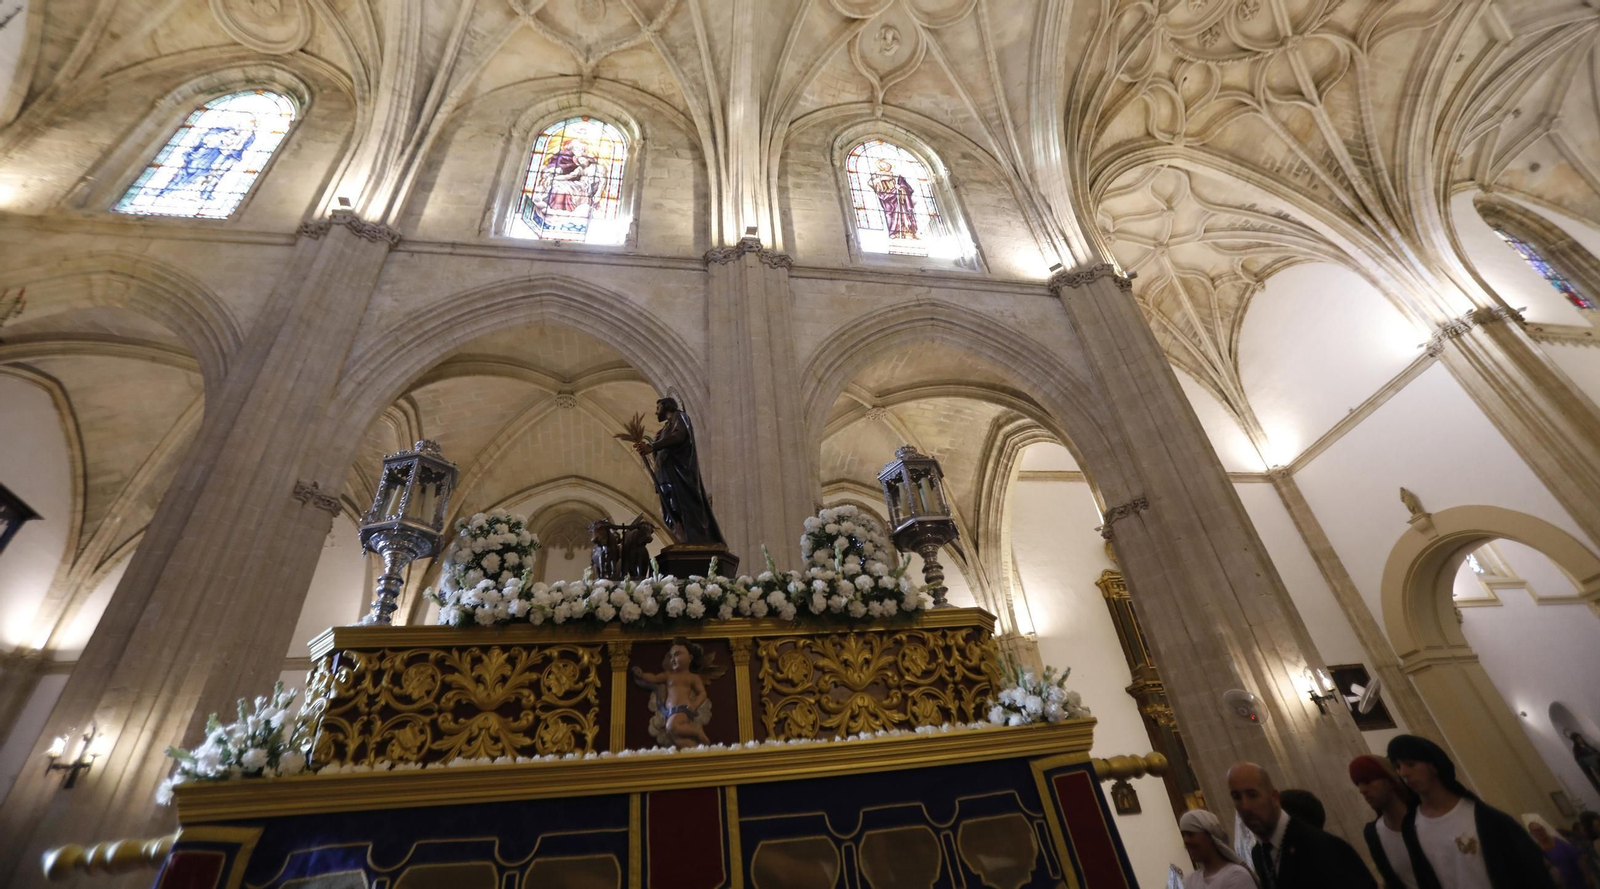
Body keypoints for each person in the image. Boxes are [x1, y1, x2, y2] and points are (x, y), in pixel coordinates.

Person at [1386, 734, 1556, 889]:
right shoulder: (1410, 826)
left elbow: (1532, 874)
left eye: (1410, 764)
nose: (1404, 773)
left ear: (1433, 766)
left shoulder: (1489, 820)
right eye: (1397, 766)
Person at [1227, 762, 1377, 889]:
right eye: (1236, 797)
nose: (1245, 806)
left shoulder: (1324, 846)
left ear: (1274, 797)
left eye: (1252, 794)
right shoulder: (1259, 853)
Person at [633, 397, 725, 546]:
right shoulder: (662, 431)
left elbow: (678, 436)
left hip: (679, 476)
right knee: (670, 513)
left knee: (682, 508)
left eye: (658, 408)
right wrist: (648, 451)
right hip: (665, 477)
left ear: (667, 406)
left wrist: (653, 446)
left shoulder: (680, 417)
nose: (656, 412)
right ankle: (683, 541)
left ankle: (695, 542)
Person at [1351, 754, 1421, 889]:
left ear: (1390, 781)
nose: (1362, 790)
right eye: (1358, 784)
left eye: (1367, 781)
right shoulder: (1373, 833)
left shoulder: (1427, 816)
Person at [630, 638, 710, 748]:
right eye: (671, 656)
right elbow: (654, 678)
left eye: (677, 655)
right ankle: (694, 749)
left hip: (683, 709)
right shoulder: (668, 676)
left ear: (690, 658)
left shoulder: (692, 677)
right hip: (671, 711)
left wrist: (695, 705)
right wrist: (642, 675)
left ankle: (697, 732)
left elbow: (702, 693)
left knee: (671, 727)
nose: (672, 659)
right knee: (674, 736)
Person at [1179, 809, 1259, 888]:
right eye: (1183, 835)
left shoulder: (1237, 876)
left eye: (1190, 834)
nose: (1186, 840)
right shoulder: (1190, 881)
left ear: (1209, 836)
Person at [1524, 814, 1591, 889]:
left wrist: (1587, 877)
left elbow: (1579, 857)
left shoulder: (1559, 842)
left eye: (1541, 829)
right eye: (1536, 831)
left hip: (1580, 882)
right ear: (1532, 834)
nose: (1540, 832)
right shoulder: (1538, 851)